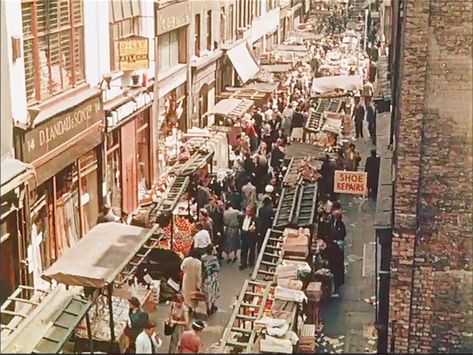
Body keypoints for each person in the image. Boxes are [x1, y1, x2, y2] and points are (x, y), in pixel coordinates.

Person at [201, 244, 221, 316]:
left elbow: (202, 268)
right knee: (213, 293)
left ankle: (207, 309)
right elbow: (217, 269)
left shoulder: (203, 257)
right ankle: (212, 306)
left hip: (205, 278)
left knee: (206, 294)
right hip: (212, 278)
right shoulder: (214, 258)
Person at [239, 204, 258, 270]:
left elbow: (258, 227)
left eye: (249, 211)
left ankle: (251, 262)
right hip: (244, 234)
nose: (247, 213)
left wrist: (254, 229)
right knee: (244, 250)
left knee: (251, 250)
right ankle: (243, 263)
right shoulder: (243, 217)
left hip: (251, 236)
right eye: (246, 211)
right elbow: (240, 224)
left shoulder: (255, 218)